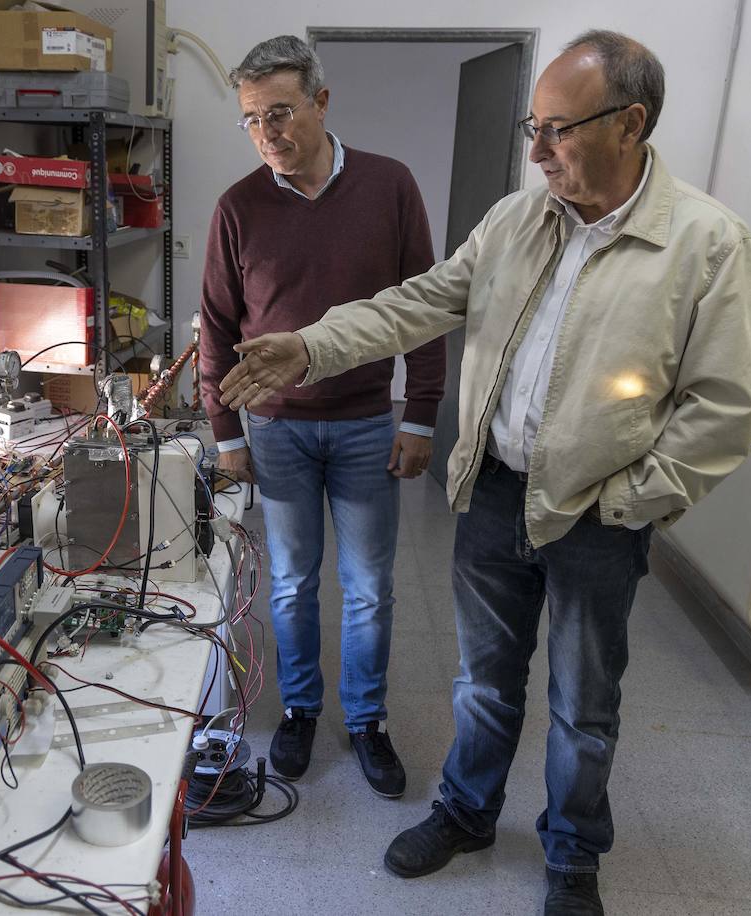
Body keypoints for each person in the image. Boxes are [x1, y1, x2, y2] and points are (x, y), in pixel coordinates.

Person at [218, 30, 751, 916]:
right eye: (531, 126)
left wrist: (631, 501)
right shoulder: (517, 218)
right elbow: (419, 302)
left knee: (583, 704)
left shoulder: (707, 245)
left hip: (600, 514)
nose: (537, 150)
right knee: (482, 682)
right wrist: (311, 346)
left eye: (558, 129)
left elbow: (722, 408)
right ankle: (467, 812)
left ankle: (573, 856)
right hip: (497, 493)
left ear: (630, 125)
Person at [198, 35, 447, 798]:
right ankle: (301, 709)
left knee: (369, 585)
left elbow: (426, 307)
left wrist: (421, 416)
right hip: (277, 429)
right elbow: (216, 328)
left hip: (368, 422)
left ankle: (367, 720)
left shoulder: (389, 186)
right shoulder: (238, 208)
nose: (266, 133)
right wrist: (226, 434)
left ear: (321, 102)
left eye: (279, 112)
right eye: (250, 119)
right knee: (291, 582)